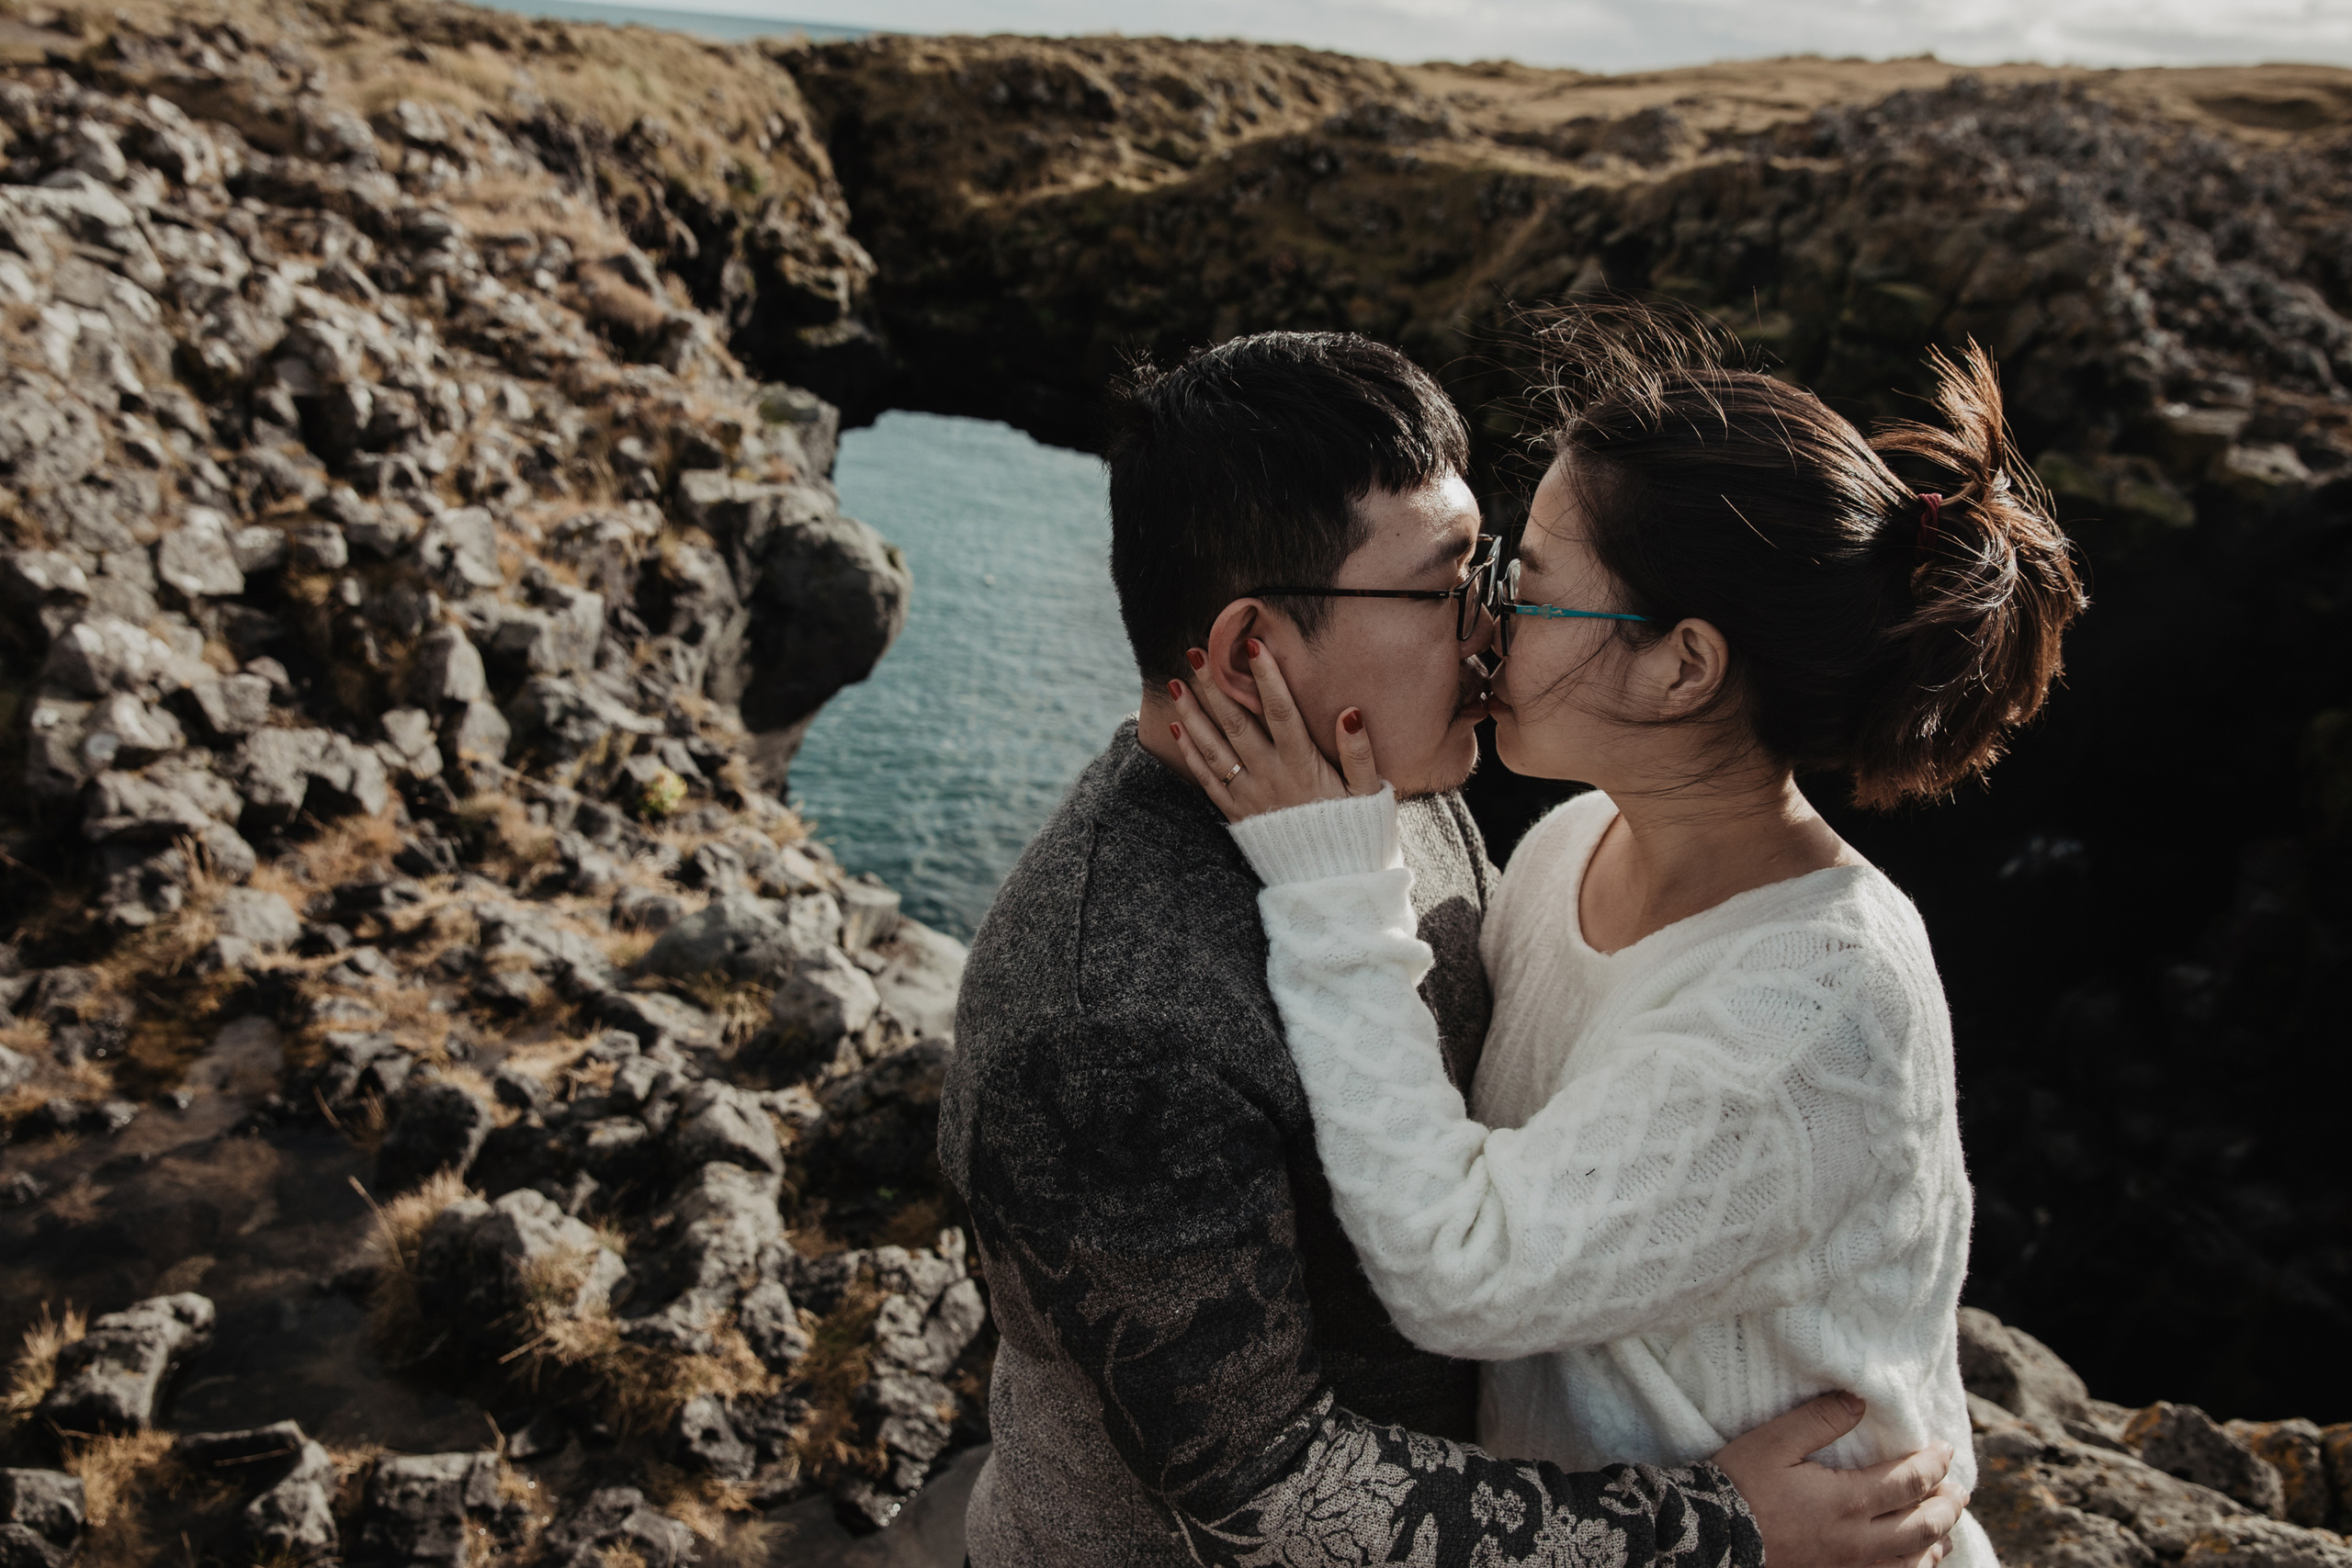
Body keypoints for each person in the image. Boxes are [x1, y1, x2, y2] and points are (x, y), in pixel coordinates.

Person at [944, 328, 1969, 1567]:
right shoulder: (1106, 1021)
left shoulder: (1409, 801)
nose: (1489, 627)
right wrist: (1713, 1533)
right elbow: (1265, 1503)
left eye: (1506, 573)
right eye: (1446, 589)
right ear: (1251, 655)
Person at [1165, 314, 2085, 1568]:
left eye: (1529, 582)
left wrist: (1330, 878)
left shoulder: (1815, 1008)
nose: (1482, 622)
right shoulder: (1569, 845)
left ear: (1681, 667)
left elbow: (1462, 1271)